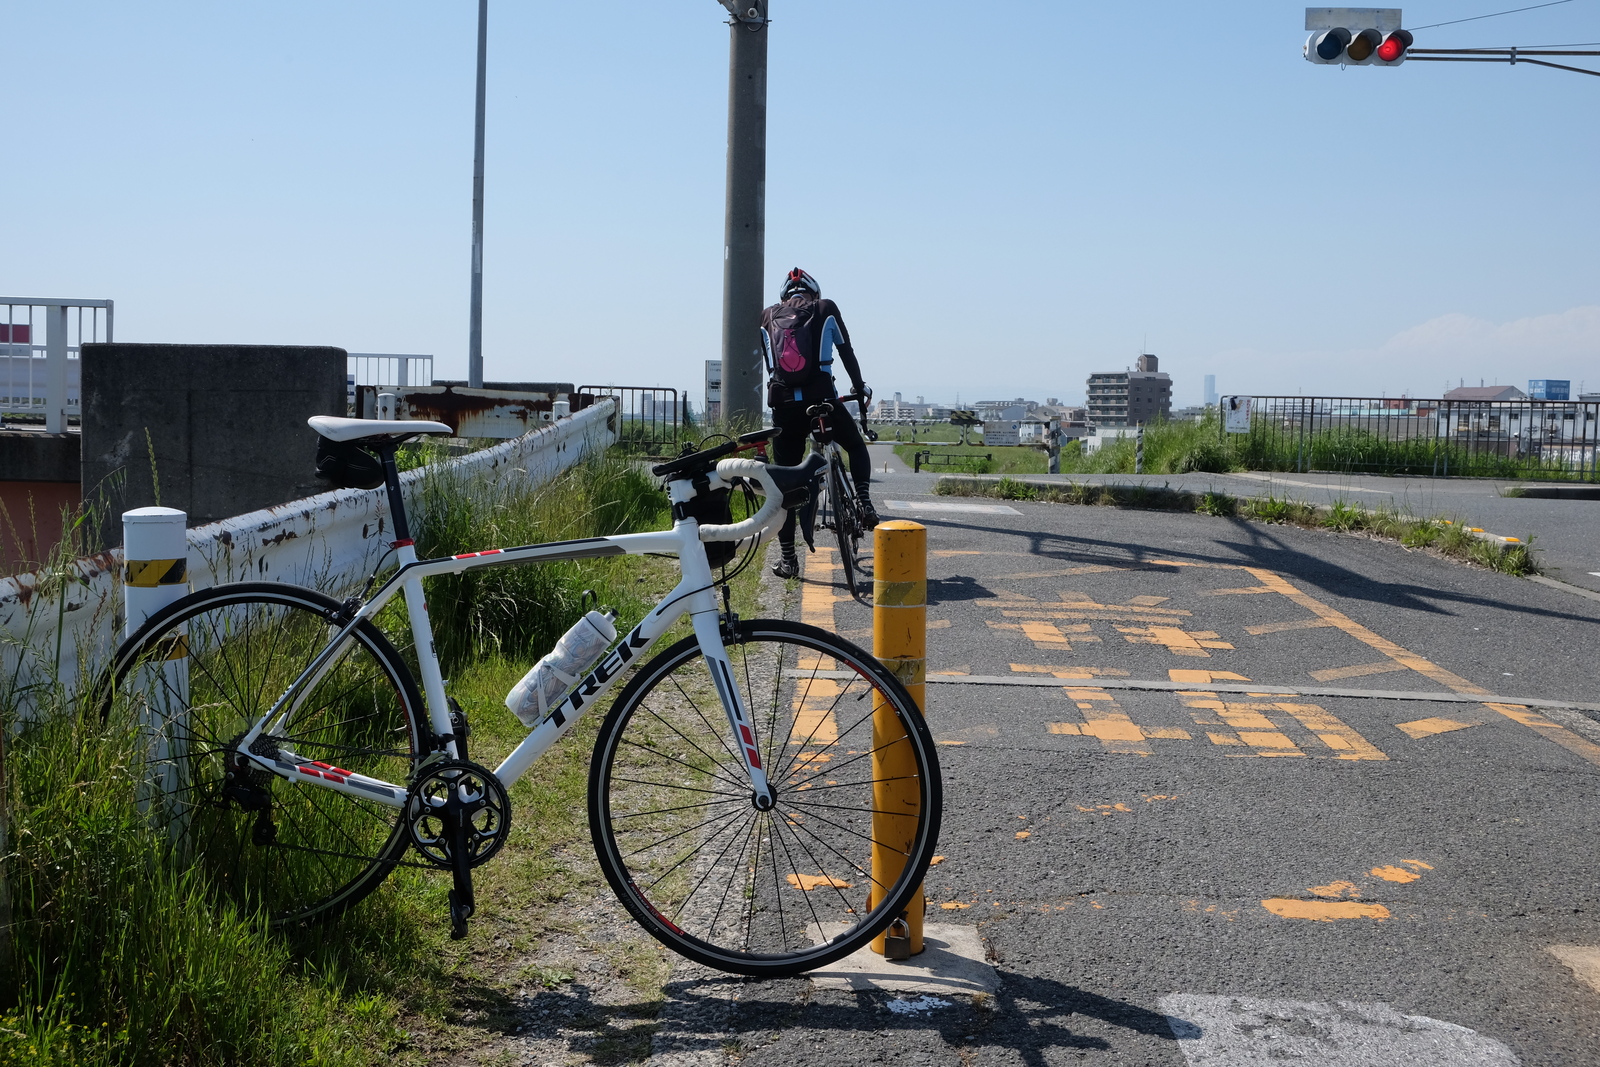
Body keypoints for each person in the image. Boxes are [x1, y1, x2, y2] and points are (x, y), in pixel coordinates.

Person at [760, 267, 877, 579]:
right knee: (854, 445)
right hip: (822, 400)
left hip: (783, 406)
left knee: (786, 484)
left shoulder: (767, 315)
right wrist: (859, 386)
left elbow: (771, 365)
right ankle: (864, 500)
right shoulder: (826, 309)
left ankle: (788, 561)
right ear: (815, 294)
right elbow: (845, 351)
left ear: (785, 297)